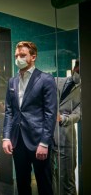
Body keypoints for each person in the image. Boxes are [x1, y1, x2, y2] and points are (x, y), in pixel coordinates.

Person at [2, 41, 57, 195]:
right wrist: (6, 137)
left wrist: (45, 142)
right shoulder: (12, 81)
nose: (18, 58)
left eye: (22, 55)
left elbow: (50, 113)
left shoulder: (46, 79)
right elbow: (9, 111)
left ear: (33, 57)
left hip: (39, 140)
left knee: (44, 184)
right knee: (22, 183)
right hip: (17, 141)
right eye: (16, 56)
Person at [52, 60, 81, 195]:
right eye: (78, 70)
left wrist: (64, 118)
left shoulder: (85, 91)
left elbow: (79, 114)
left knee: (67, 180)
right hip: (47, 137)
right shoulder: (56, 80)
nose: (78, 73)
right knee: (48, 177)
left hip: (66, 138)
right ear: (75, 67)